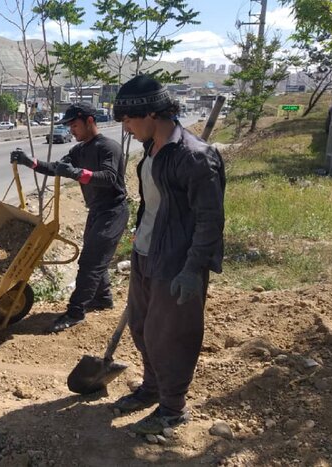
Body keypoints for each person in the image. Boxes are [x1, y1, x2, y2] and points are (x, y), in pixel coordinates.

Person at [109, 75, 226, 436]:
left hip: (176, 262)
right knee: (142, 328)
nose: (126, 129)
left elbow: (210, 220)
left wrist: (193, 269)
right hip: (146, 253)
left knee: (171, 336)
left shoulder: (195, 157)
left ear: (153, 114)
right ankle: (151, 388)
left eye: (129, 121)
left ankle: (173, 408)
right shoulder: (150, 149)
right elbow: (153, 202)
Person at [10, 102, 129, 333]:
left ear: (90, 121)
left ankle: (75, 312)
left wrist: (76, 173)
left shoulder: (109, 147)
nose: (72, 130)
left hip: (113, 212)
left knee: (90, 262)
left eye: (74, 125)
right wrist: (30, 161)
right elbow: (57, 167)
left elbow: (108, 178)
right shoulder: (80, 150)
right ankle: (102, 299)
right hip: (96, 211)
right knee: (95, 258)